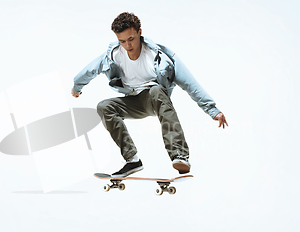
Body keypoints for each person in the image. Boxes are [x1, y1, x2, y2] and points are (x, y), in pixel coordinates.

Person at [71, 12, 227, 177]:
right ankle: (132, 160)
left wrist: (212, 110)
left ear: (139, 32)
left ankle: (179, 155)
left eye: (131, 39)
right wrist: (76, 87)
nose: (127, 46)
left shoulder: (160, 56)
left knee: (155, 90)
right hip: (132, 101)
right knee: (104, 106)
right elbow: (90, 70)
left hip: (155, 99)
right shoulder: (113, 55)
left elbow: (189, 83)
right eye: (122, 41)